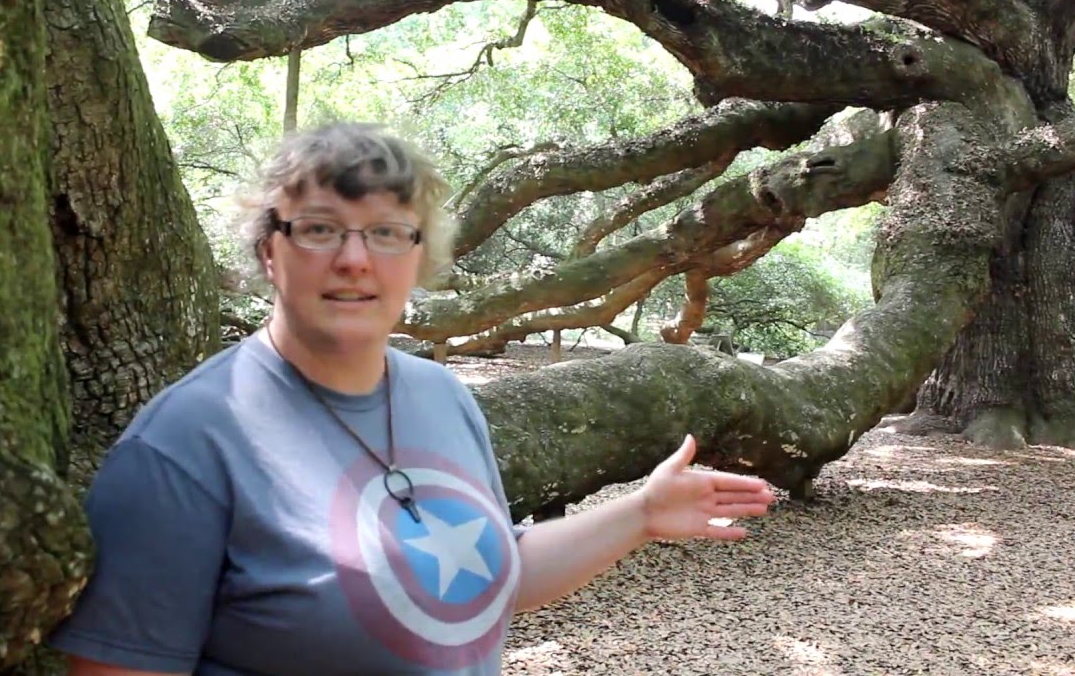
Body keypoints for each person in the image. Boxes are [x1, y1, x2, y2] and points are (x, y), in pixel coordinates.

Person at [48, 123, 777, 676]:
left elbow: (486, 574)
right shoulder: (182, 445)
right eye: (320, 229)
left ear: (420, 257)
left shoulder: (440, 395)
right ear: (270, 250)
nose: (354, 259)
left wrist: (639, 515)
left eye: (388, 233)